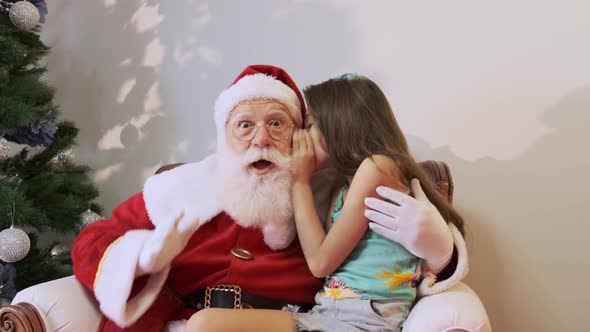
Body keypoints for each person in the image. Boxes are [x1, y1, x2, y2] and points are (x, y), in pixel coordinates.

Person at [71, 65, 467, 332]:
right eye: (244, 125)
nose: (260, 139)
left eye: (277, 123)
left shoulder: (329, 190)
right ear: (224, 134)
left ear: (299, 133)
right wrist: (143, 256)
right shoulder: (181, 186)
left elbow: (394, 251)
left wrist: (443, 249)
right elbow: (95, 239)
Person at [185, 74, 467, 332]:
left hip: (363, 321)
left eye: (308, 125)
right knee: (203, 322)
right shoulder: (345, 185)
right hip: (327, 312)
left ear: (337, 126)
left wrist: (299, 180)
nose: (301, 137)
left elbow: (319, 263)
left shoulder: (378, 167)